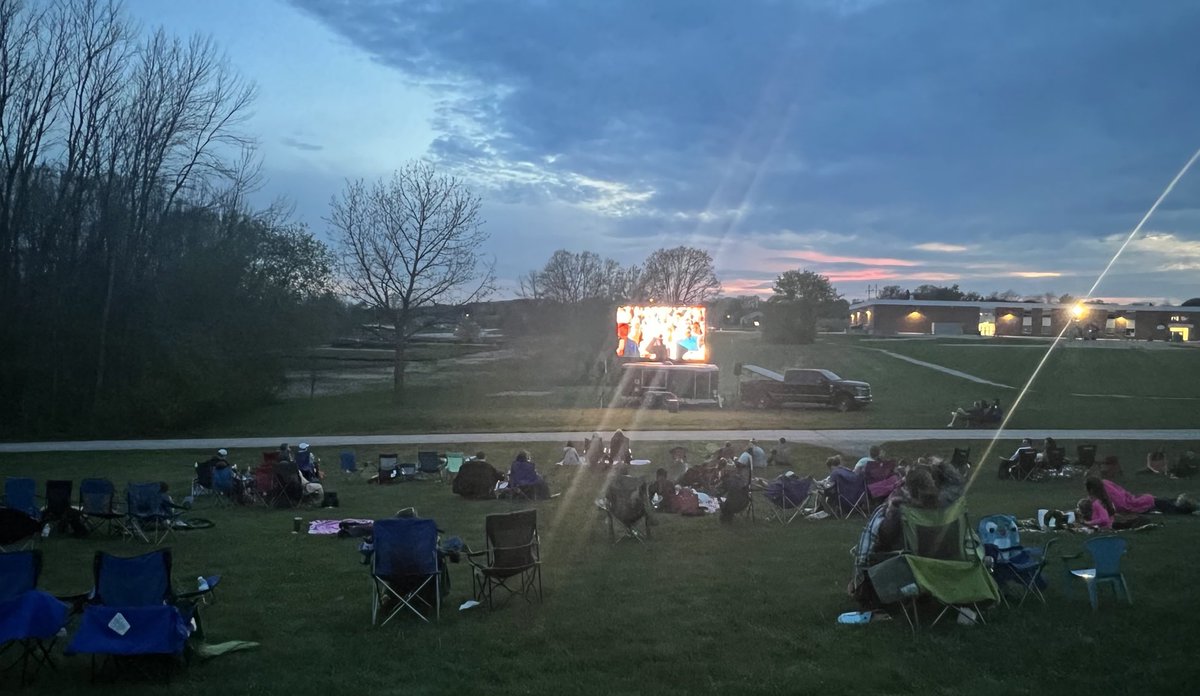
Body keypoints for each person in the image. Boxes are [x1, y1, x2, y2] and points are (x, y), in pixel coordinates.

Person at [875, 467, 940, 552]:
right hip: (936, 557)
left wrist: (890, 511)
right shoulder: (944, 509)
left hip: (906, 558)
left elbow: (885, 537)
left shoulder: (902, 511)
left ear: (909, 489)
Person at [1085, 476, 1195, 516]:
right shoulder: (1105, 483)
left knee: (1170, 507)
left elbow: (1122, 505)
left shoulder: (1103, 495)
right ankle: (1187, 504)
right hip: (1137, 499)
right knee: (1165, 502)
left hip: (1138, 502)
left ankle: (1189, 508)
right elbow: (1121, 491)